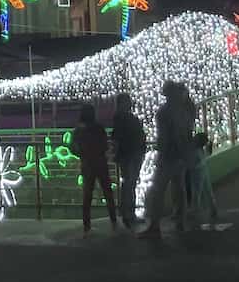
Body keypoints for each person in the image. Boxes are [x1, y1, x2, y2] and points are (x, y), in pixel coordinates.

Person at [139, 81, 193, 239]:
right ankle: (180, 222)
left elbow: (165, 136)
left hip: (168, 156)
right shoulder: (184, 110)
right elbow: (186, 132)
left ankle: (155, 225)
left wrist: (162, 151)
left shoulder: (164, 112)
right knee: (179, 189)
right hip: (181, 155)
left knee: (158, 190)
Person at [75, 104, 116, 234]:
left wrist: (82, 153)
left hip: (87, 164)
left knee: (87, 194)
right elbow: (105, 144)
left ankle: (86, 224)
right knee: (107, 192)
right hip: (100, 162)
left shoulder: (79, 129)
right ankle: (113, 219)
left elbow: (72, 146)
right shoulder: (99, 127)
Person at [110, 93, 147, 226]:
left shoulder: (121, 118)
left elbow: (116, 138)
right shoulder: (123, 118)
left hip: (131, 154)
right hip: (130, 154)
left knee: (129, 184)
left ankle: (127, 213)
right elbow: (117, 138)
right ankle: (128, 214)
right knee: (130, 184)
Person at [187, 131, 219, 229]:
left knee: (197, 192)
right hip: (203, 169)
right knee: (207, 190)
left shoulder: (194, 149)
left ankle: (195, 211)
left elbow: (192, 162)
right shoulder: (199, 149)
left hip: (196, 172)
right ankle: (213, 208)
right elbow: (206, 155)